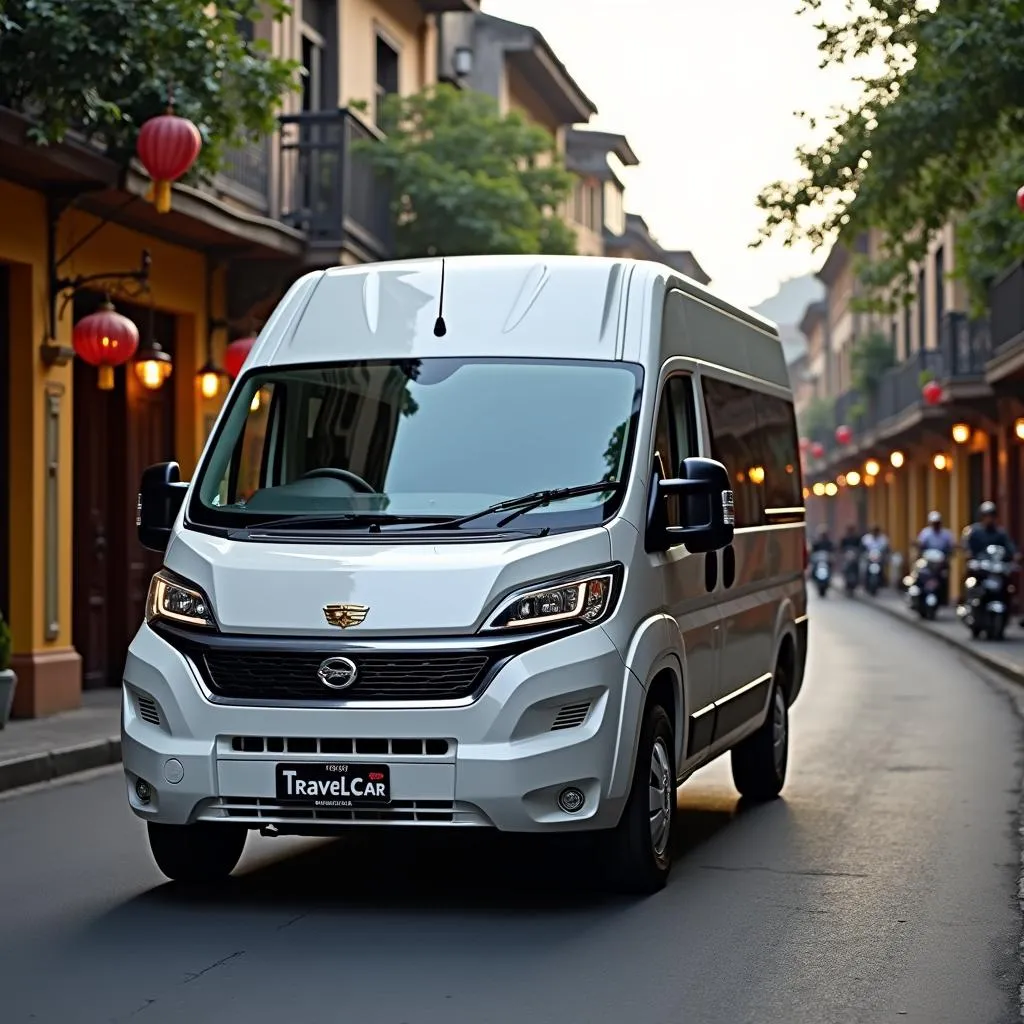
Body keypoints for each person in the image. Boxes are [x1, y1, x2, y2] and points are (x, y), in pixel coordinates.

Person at [916, 510, 955, 605]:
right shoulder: (925, 533)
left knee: (945, 576)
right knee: (919, 574)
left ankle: (944, 598)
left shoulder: (946, 534)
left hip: (940, 563)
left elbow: (951, 547)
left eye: (937, 523)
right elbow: (921, 545)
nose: (936, 525)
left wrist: (949, 554)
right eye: (934, 523)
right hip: (928, 562)